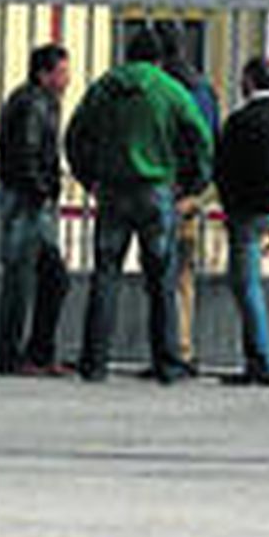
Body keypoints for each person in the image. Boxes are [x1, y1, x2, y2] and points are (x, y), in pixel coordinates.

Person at [66, 26, 212, 385]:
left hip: (112, 192)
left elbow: (74, 136)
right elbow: (201, 138)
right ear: (159, 59)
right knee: (161, 280)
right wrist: (192, 183)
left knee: (105, 275)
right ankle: (166, 362)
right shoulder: (170, 90)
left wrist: (89, 179)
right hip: (156, 192)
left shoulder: (104, 87)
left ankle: (94, 361)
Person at [214, 56, 269, 388]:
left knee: (246, 286)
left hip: (247, 213)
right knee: (247, 283)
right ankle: (257, 357)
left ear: (248, 82)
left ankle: (260, 360)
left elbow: (225, 169)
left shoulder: (240, 122)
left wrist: (228, 207)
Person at [0, 43, 72, 377]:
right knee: (23, 279)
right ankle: (15, 355)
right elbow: (24, 152)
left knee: (50, 276)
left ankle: (38, 352)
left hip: (32, 199)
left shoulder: (41, 102)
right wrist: (42, 189)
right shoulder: (32, 104)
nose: (67, 78)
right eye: (62, 71)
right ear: (44, 74)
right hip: (28, 202)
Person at [155, 23, 221, 380]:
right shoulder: (204, 90)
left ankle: (169, 350)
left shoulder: (161, 89)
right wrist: (199, 190)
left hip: (161, 186)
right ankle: (183, 348)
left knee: (161, 272)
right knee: (183, 274)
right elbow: (211, 141)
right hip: (191, 195)